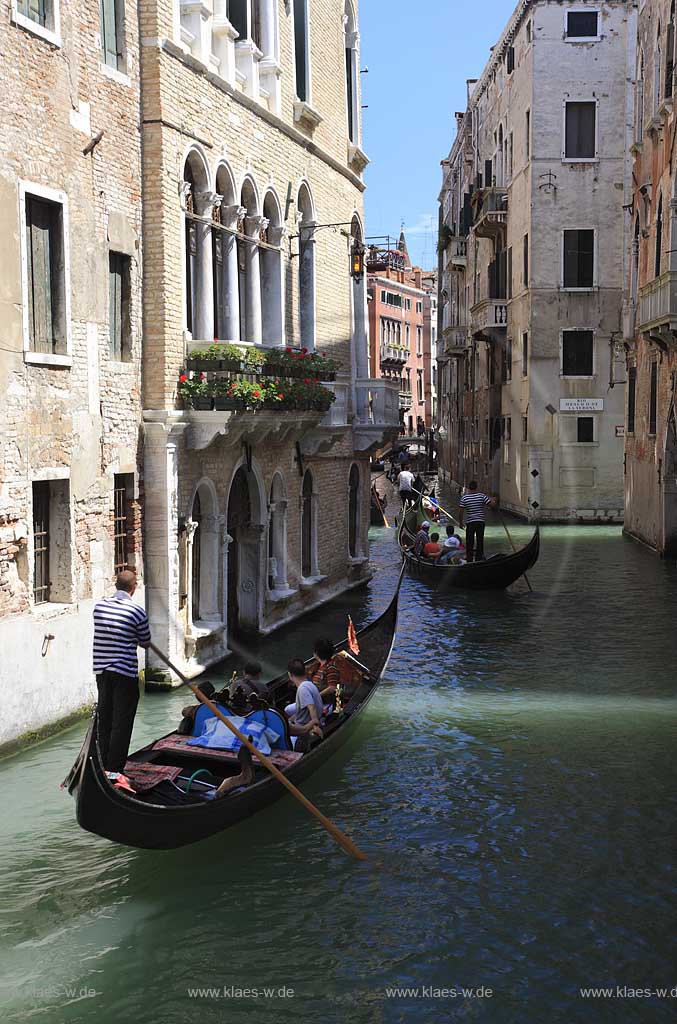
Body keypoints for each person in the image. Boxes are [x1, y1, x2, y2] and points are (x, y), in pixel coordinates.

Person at [92, 570, 151, 776]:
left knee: (105, 718)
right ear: (133, 588)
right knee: (122, 722)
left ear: (116, 586)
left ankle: (102, 763)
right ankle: (114, 769)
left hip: (102, 672)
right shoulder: (137, 612)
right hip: (124, 673)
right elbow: (145, 642)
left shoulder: (99, 607)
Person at [284, 659, 324, 739]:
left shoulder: (303, 689)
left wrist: (315, 724)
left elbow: (311, 707)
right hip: (304, 722)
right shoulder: (309, 684)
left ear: (290, 675)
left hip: (304, 728)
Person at [459, 481, 496, 562]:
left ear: (468, 488)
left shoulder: (464, 498)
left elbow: (461, 512)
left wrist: (461, 523)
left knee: (470, 541)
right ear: (476, 487)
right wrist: (493, 500)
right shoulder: (482, 496)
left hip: (470, 522)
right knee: (480, 540)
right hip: (480, 522)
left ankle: (469, 559)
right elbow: (492, 505)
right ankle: (479, 558)